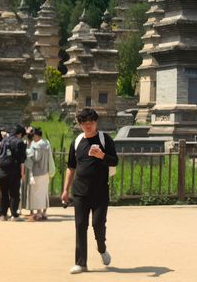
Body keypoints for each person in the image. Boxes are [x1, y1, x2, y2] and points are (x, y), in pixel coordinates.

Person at [62, 108, 119, 275]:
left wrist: (102, 155)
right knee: (80, 226)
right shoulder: (77, 141)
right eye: (85, 124)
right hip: (80, 191)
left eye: (91, 123)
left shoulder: (105, 139)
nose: (89, 126)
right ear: (80, 125)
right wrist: (65, 189)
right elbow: (71, 167)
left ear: (96, 123)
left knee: (97, 224)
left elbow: (115, 161)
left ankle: (101, 248)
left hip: (100, 191)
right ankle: (81, 263)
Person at [0, 125, 27, 221]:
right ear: (20, 134)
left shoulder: (4, 141)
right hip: (13, 171)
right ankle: (14, 215)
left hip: (2, 171)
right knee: (14, 193)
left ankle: (3, 215)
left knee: (4, 193)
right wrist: (22, 173)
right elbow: (22, 160)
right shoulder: (19, 142)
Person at [25, 128, 54, 221]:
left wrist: (28, 152)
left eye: (33, 136)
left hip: (37, 172)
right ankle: (43, 212)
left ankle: (38, 213)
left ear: (36, 136)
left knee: (36, 193)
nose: (33, 138)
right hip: (45, 171)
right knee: (44, 192)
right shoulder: (47, 143)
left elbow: (36, 158)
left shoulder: (37, 145)